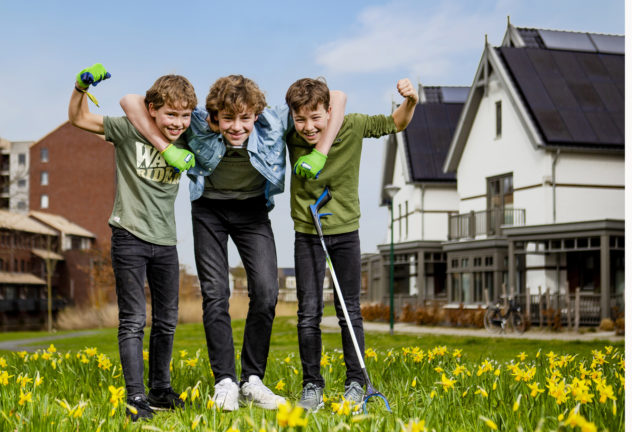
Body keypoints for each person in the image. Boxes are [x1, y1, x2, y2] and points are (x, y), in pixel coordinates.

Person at [120, 75, 345, 411]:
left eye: (245, 118)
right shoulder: (198, 122)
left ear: (256, 114)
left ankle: (252, 380)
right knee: (216, 293)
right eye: (228, 119)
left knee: (266, 292)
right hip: (208, 210)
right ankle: (224, 382)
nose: (237, 127)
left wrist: (321, 153)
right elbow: (129, 101)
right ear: (215, 116)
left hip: (253, 211)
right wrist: (166, 148)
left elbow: (337, 97)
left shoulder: (273, 122)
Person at [68, 63, 197, 421]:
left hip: (166, 240)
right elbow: (79, 119)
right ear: (152, 110)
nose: (178, 123)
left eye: (184, 115)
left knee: (167, 320)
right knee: (133, 319)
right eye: (171, 114)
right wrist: (80, 88)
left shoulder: (187, 137)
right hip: (129, 236)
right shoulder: (129, 130)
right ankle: (136, 398)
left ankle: (160, 390)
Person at [284, 77, 418, 412]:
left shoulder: (353, 125)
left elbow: (397, 122)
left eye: (316, 118)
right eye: (300, 119)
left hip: (345, 232)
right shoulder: (290, 135)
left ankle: (356, 384)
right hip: (307, 232)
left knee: (349, 311)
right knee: (308, 313)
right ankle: (312, 387)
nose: (308, 127)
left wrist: (411, 101)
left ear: (330, 111)